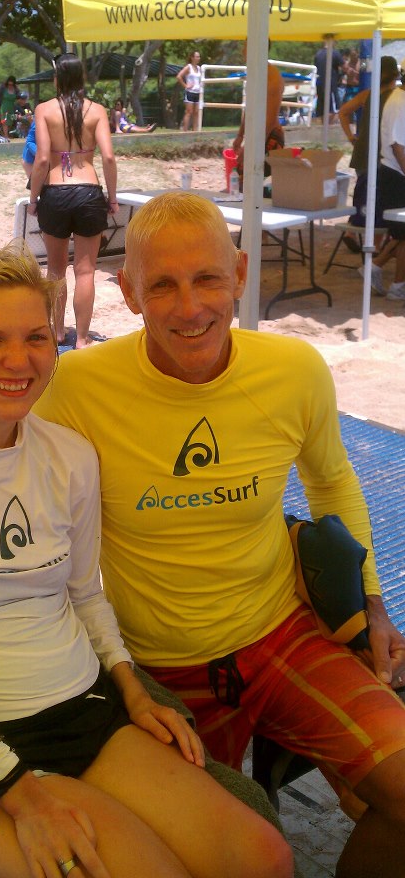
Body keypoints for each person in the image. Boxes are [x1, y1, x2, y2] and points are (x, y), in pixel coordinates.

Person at [0, 246, 291, 878]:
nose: (19, 360)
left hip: (83, 706)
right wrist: (21, 793)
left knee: (264, 858)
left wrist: (131, 689)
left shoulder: (70, 457)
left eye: (36, 338)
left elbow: (85, 595)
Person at [35, 191, 405, 878]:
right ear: (128, 293)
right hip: (156, 669)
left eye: (207, 278)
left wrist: (372, 602)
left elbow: (332, 483)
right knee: (227, 858)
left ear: (239, 273)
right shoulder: (77, 388)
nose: (190, 307)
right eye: (162, 286)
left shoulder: (293, 370)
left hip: (282, 636)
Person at [29, 52, 119, 349]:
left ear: (58, 78)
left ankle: (57, 331)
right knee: (85, 270)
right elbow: (108, 157)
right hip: (89, 192)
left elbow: (43, 159)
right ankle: (81, 338)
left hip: (55, 192)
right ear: (81, 78)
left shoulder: (44, 110)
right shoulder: (97, 111)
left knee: (55, 269)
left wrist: (33, 198)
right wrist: (112, 198)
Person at [339, 56, 399, 269]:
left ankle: (351, 231)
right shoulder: (396, 98)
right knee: (380, 201)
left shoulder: (367, 95)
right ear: (395, 75)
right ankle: (374, 245)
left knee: (363, 195)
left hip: (362, 152)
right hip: (383, 155)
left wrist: (351, 137)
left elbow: (343, 112)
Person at [367, 60, 405, 301]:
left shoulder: (397, 98)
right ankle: (398, 285)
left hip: (394, 172)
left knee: (401, 234)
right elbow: (398, 145)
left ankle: (376, 267)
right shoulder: (400, 102)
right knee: (403, 234)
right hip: (396, 174)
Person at [232, 41, 284, 189]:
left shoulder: (272, 77)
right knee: (243, 185)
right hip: (256, 136)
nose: (243, 51)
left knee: (255, 189)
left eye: (246, 47)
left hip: (269, 136)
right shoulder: (255, 73)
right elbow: (251, 106)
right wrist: (241, 134)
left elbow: (270, 120)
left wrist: (250, 146)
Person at [314, 37, 344, 123]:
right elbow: (345, 67)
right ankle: (329, 128)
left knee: (321, 109)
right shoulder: (334, 53)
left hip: (319, 85)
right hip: (331, 86)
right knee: (334, 110)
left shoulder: (318, 54)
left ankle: (322, 128)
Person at [177, 50, 202, 132]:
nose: (198, 58)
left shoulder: (199, 68)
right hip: (190, 92)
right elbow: (179, 76)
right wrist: (185, 85)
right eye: (197, 57)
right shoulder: (188, 67)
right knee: (189, 112)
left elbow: (200, 79)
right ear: (192, 58)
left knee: (196, 112)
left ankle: (194, 131)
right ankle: (185, 131)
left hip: (197, 92)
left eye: (199, 57)